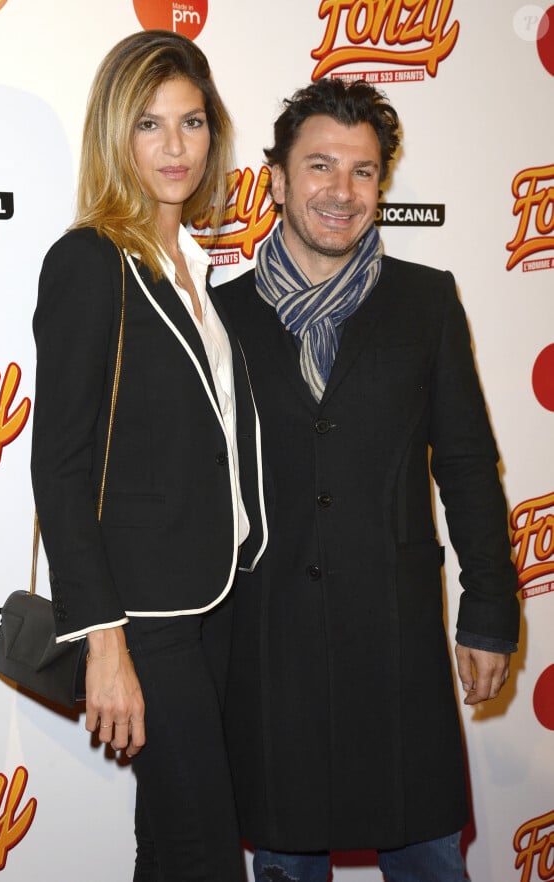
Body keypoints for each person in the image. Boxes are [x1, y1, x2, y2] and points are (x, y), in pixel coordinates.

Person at [219, 78, 519, 882]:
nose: (341, 192)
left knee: (429, 860)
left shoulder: (427, 301)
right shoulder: (221, 316)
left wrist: (490, 608)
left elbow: (464, 461)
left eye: (362, 171)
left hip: (397, 642)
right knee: (285, 864)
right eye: (319, 166)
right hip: (270, 645)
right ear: (277, 179)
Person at [30, 30, 266, 882]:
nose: (175, 148)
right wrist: (104, 640)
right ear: (115, 136)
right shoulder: (90, 262)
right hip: (147, 619)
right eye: (150, 125)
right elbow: (58, 465)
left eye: (192, 122)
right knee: (206, 853)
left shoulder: (202, 271)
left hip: (223, 596)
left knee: (174, 843)